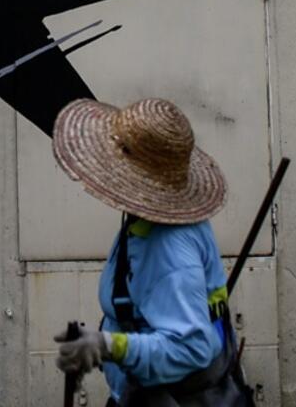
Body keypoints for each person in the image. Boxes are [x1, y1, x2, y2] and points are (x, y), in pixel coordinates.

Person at [51, 97, 252, 407]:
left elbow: (191, 348)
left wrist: (108, 346)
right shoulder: (146, 223)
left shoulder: (168, 246)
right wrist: (99, 341)